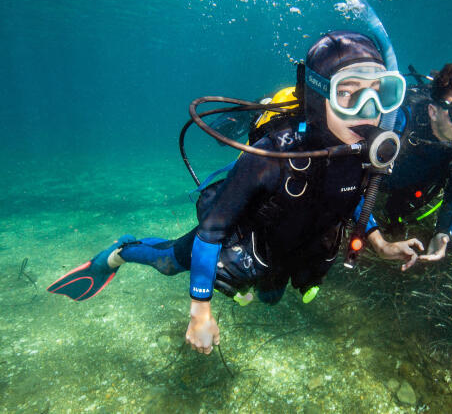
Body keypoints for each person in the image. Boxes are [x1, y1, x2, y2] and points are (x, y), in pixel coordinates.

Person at [47, 31, 423, 354]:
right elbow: (212, 231)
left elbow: (356, 196)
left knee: (270, 296)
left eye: (380, 92)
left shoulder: (368, 153)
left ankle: (256, 284)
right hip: (242, 234)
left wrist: (381, 243)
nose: (370, 110)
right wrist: (200, 311)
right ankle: (120, 252)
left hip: (293, 247)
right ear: (316, 95)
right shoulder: (273, 155)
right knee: (168, 264)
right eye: (349, 93)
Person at [364, 63, 452, 265]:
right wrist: (379, 243)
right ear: (433, 111)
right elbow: (346, 178)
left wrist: (443, 233)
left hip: (408, 186)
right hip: (371, 178)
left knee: (398, 208)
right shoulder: (397, 123)